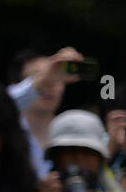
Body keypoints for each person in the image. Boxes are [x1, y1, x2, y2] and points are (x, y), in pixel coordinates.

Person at [7, 47, 85, 178]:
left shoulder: (76, 131)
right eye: (35, 76)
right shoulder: (3, 128)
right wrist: (42, 81)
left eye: (57, 76)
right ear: (16, 84)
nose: (49, 84)